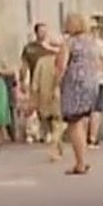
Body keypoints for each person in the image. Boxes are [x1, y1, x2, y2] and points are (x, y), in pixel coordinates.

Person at [53, 12, 103, 175]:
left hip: (74, 85)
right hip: (91, 83)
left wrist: (55, 85)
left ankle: (80, 162)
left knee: (74, 123)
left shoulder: (69, 43)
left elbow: (61, 66)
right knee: (81, 121)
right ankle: (82, 159)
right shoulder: (91, 42)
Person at [30, 29, 64, 164]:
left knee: (52, 123)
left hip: (44, 98)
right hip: (59, 96)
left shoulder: (42, 62)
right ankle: (55, 147)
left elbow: (35, 83)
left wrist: (34, 98)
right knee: (59, 123)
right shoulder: (63, 60)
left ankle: (56, 146)